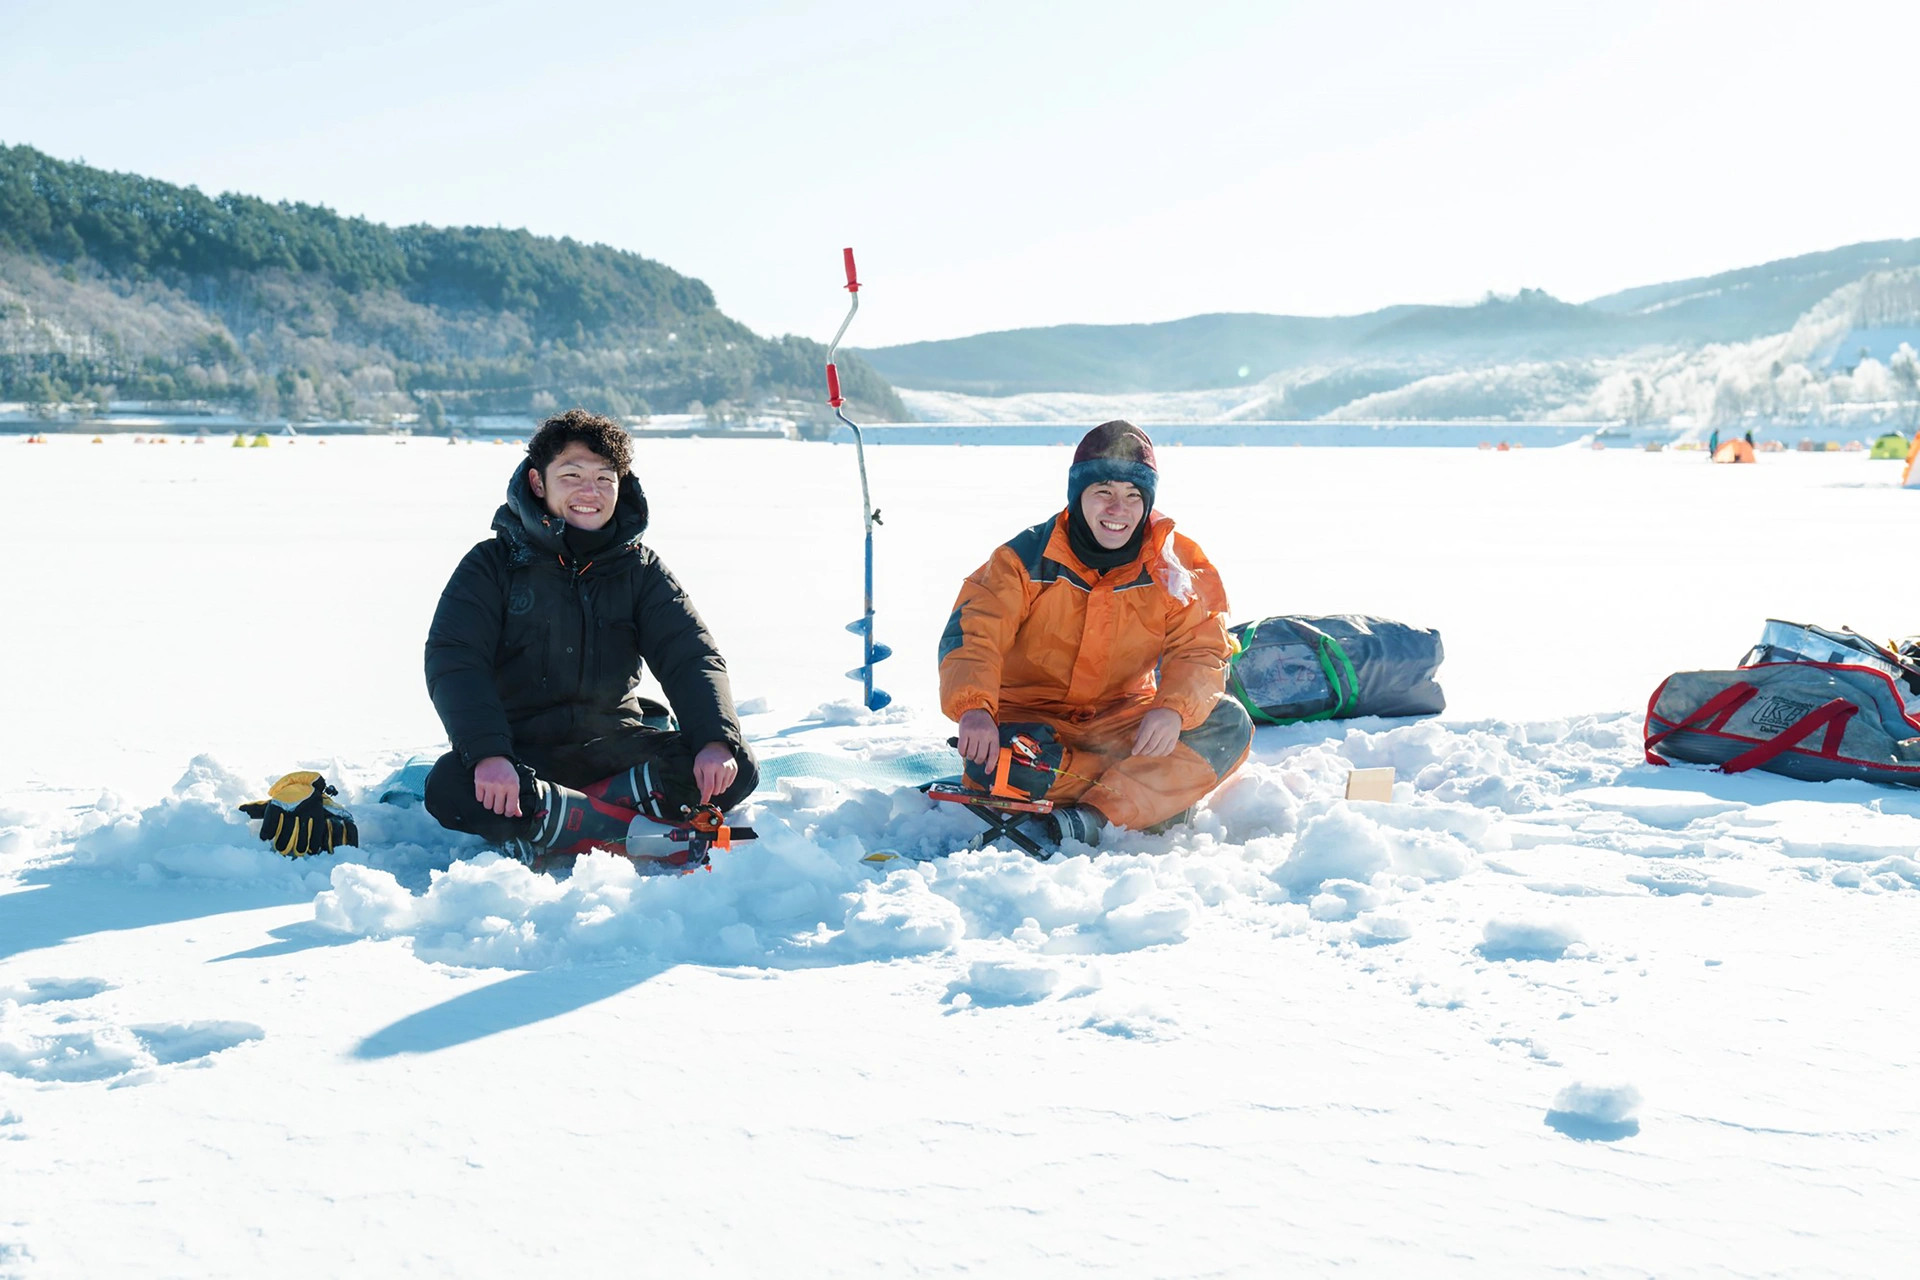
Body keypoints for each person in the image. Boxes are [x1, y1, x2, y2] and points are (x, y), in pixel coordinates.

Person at [423, 408, 756, 862]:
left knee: (735, 765)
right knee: (450, 787)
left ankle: (556, 823)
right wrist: (488, 754)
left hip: (616, 746)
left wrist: (715, 741)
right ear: (538, 482)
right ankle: (635, 830)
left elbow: (690, 656)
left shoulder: (641, 569)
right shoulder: (490, 565)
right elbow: (456, 661)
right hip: (523, 754)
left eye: (604, 478)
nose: (590, 492)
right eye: (572, 475)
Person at [938, 420, 1253, 848]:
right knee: (1000, 764)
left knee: (1227, 724)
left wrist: (1173, 710)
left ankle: (1097, 816)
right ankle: (1152, 797)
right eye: (1103, 491)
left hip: (1125, 721)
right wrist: (974, 708)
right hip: (1034, 724)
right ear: (1078, 495)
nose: (1118, 509)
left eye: (1133, 495)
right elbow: (973, 636)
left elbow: (1202, 648)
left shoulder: (1175, 565)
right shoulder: (1020, 561)